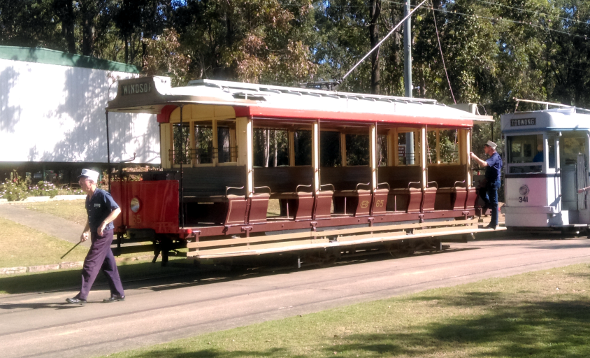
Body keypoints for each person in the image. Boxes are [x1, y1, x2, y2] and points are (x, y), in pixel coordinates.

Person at [66, 169, 125, 305]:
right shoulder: (89, 198)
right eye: (80, 180)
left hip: (104, 235)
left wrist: (104, 222)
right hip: (95, 234)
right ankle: (118, 293)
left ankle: (82, 296)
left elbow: (117, 209)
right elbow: (90, 218)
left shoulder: (103, 195)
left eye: (83, 180)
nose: (80, 182)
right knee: (108, 265)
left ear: (91, 182)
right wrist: (86, 231)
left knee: (90, 263)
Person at [471, 140, 503, 229]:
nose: (484, 149)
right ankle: (488, 204)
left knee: (495, 203)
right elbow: (491, 172)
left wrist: (474, 157)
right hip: (489, 181)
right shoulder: (494, 157)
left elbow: (483, 164)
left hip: (493, 182)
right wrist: (484, 181)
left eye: (485, 147)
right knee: (481, 191)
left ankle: (494, 224)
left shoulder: (495, 157)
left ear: (490, 148)